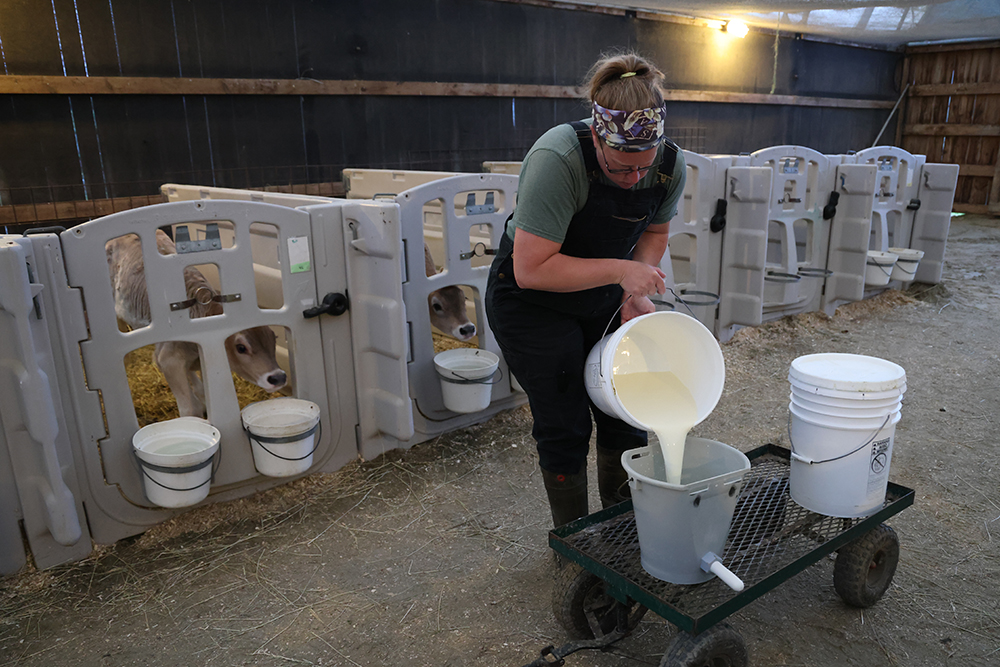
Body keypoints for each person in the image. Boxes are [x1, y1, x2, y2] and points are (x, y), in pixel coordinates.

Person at [486, 51, 687, 528]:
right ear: (597, 136)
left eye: (643, 165)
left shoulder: (669, 167)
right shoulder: (558, 158)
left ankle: (617, 533)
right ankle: (575, 543)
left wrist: (634, 292)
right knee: (565, 423)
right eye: (620, 168)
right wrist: (622, 273)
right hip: (533, 303)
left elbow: (655, 233)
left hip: (602, 299)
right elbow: (532, 269)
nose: (633, 178)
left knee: (625, 410)